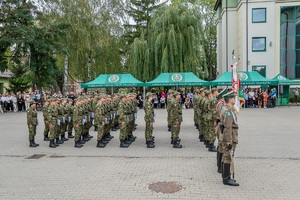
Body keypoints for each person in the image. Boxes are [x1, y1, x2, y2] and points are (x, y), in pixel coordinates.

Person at [220, 91, 239, 186]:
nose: (235, 100)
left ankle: (225, 177)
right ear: (230, 99)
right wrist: (229, 142)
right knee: (228, 157)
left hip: (229, 136)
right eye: (234, 98)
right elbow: (228, 128)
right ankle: (227, 179)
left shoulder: (228, 109)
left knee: (226, 156)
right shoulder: (227, 111)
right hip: (229, 137)